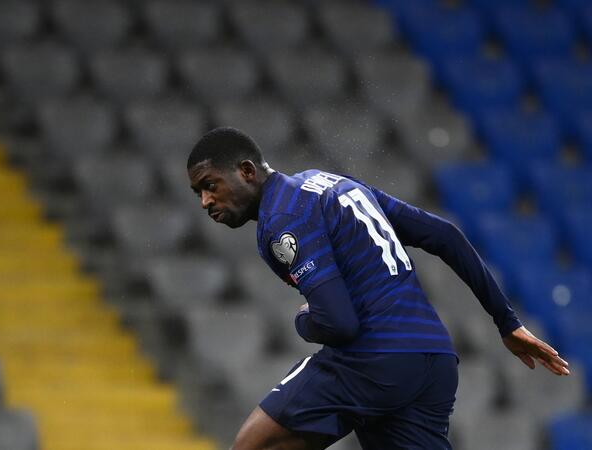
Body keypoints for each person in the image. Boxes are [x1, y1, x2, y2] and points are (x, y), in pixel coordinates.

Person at [186, 127, 571, 450]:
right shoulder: (327, 182)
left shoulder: (283, 217)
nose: (205, 201)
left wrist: (303, 322)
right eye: (198, 193)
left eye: (210, 185)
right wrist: (507, 322)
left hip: (374, 360)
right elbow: (445, 235)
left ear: (247, 171)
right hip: (433, 360)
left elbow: (339, 323)